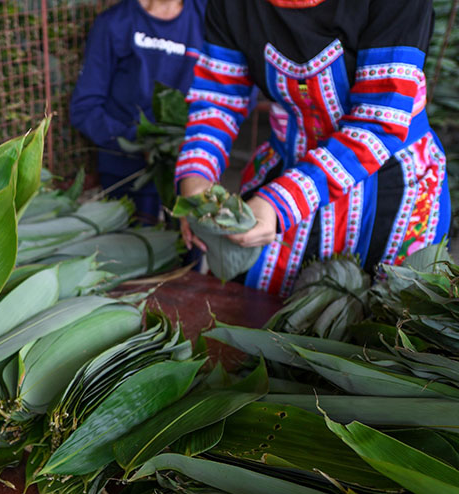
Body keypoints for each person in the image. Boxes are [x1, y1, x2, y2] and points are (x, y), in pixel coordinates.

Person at [175, 0, 451, 296]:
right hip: (286, 166)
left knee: (379, 321)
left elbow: (379, 120)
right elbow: (218, 98)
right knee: (257, 316)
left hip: (392, 186)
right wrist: (195, 179)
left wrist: (278, 203)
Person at [70, 0, 207, 223]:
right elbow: (84, 109)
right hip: (127, 175)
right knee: (135, 247)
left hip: (192, 171)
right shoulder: (114, 23)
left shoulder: (209, 21)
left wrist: (199, 145)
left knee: (190, 251)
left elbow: (231, 97)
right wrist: (140, 141)